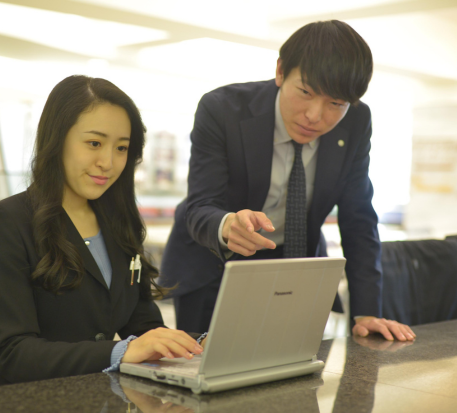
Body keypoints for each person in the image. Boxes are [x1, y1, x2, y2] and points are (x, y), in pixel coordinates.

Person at [160, 20, 415, 342]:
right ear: (281, 71)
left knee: (295, 376)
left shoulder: (356, 122)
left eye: (335, 103)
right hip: (215, 261)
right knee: (206, 375)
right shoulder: (223, 109)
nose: (315, 115)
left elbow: (359, 220)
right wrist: (227, 225)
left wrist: (366, 311)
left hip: (295, 265)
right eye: (306, 92)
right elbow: (199, 206)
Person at [0, 76, 204, 390]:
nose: (107, 162)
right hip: (14, 398)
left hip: (90, 394)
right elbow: (13, 353)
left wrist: (197, 346)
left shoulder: (119, 223)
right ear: (57, 138)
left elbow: (145, 325)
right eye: (94, 143)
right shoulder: (5, 221)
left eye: (121, 148)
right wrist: (122, 351)